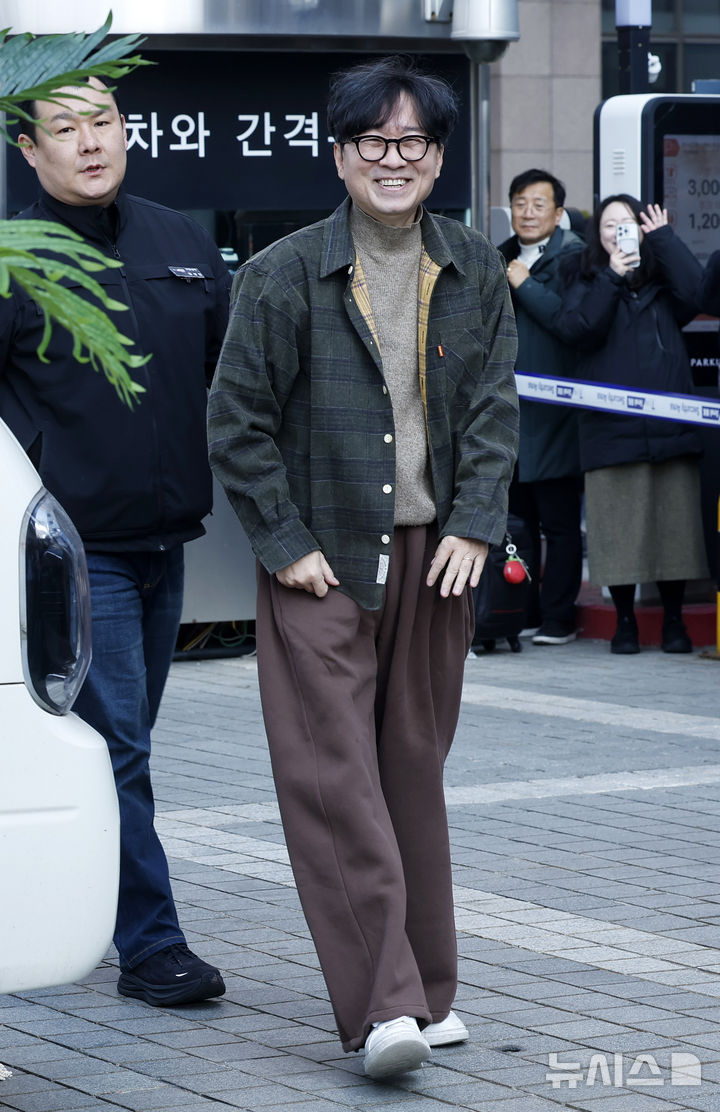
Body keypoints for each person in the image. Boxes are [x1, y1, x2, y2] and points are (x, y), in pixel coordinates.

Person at [208, 56, 518, 1079]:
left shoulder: (473, 266)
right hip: (322, 559)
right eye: (373, 141)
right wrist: (284, 542)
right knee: (334, 778)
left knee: (411, 771)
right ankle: (383, 1006)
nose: (394, 159)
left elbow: (494, 410)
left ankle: (428, 991)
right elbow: (237, 422)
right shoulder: (282, 273)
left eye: (412, 141)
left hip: (435, 560)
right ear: (339, 156)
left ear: (438, 158)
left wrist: (477, 524)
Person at [1, 79, 231, 1004]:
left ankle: (83, 896)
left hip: (166, 541)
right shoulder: (13, 261)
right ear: (29, 150)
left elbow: (226, 374)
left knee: (121, 744)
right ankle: (151, 947)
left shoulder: (180, 241)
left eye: (103, 121)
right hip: (73, 554)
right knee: (118, 747)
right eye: (64, 127)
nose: (89, 141)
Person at [553, 195, 707, 654]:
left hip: (670, 426)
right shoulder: (581, 274)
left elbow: (698, 294)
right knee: (616, 531)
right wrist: (612, 277)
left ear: (641, 228)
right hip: (610, 429)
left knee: (676, 531)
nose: (618, 231)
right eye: (608, 225)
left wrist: (665, 239)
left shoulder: (663, 277)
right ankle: (624, 624)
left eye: (627, 223)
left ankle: (675, 621)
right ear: (596, 235)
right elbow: (578, 328)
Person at [499, 169, 585, 646]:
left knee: (560, 523)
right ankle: (522, 610)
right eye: (520, 203)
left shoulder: (575, 257)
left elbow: (572, 323)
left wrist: (526, 283)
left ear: (558, 213)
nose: (528, 213)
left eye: (538, 204)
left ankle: (558, 617)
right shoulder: (499, 257)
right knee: (520, 521)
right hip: (511, 416)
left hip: (557, 416)